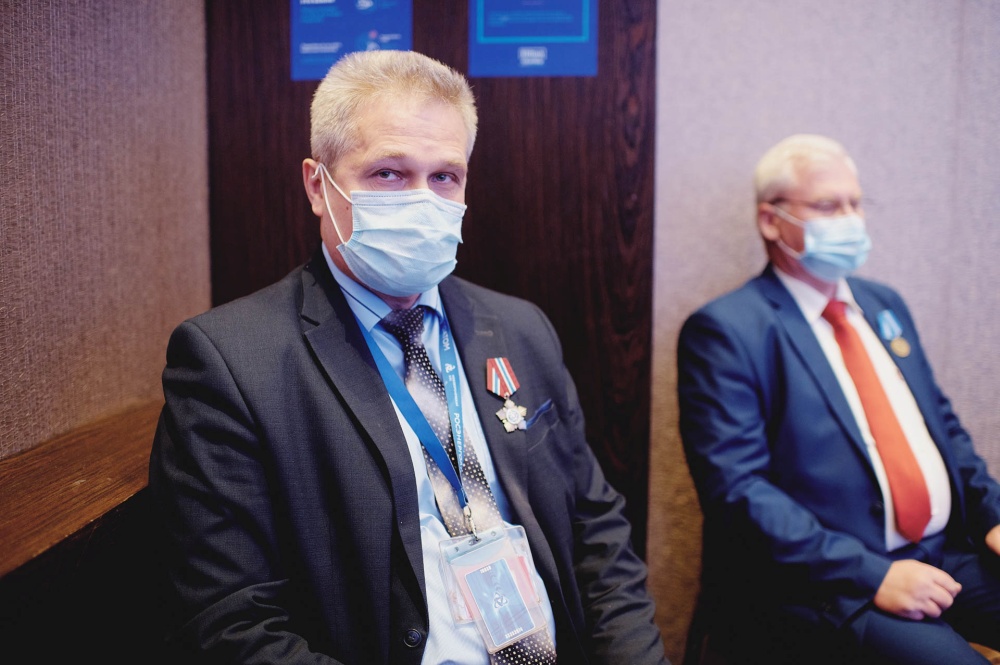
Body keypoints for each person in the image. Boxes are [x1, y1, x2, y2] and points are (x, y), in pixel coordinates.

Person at [149, 50, 668, 665]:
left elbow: (596, 530)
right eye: (389, 174)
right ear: (317, 185)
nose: (424, 201)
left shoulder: (521, 329)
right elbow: (231, 620)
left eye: (445, 177)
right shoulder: (231, 362)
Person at [677, 134, 1000, 664]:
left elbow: (941, 427)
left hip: (945, 552)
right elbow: (737, 492)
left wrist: (992, 515)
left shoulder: (883, 305)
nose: (851, 220)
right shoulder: (727, 330)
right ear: (770, 221)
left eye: (856, 203)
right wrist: (873, 574)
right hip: (835, 581)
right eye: (828, 206)